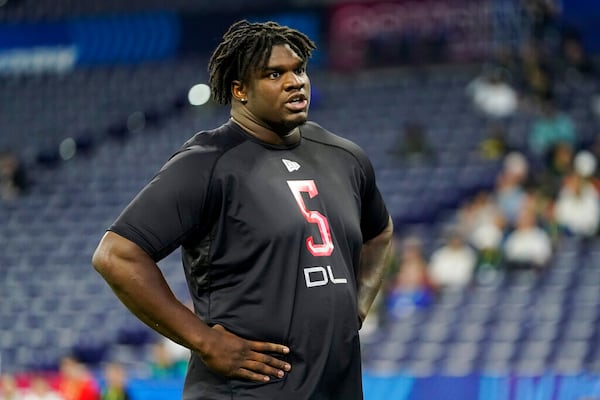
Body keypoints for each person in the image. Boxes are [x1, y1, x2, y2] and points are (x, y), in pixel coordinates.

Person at [91, 20, 393, 400]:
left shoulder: (345, 156)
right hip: (244, 392)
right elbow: (116, 255)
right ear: (240, 90)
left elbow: (379, 232)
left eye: (299, 69)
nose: (295, 81)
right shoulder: (206, 162)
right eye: (274, 74)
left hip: (337, 387)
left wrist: (358, 305)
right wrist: (205, 341)